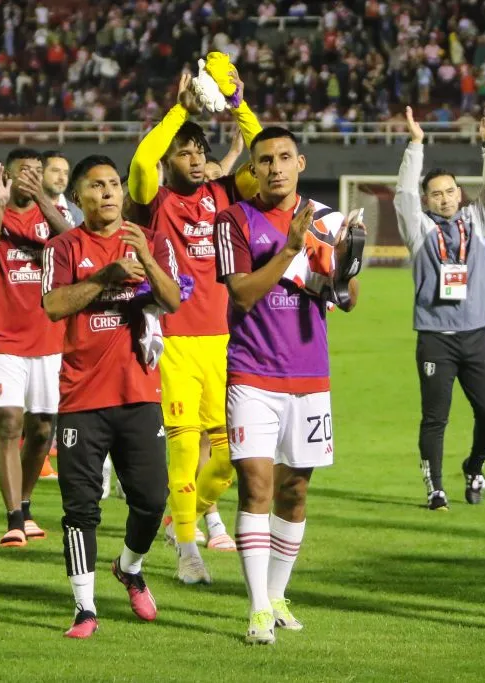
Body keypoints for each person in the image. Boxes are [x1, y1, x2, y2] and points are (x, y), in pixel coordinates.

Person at [215, 126, 362, 644]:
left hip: (309, 376)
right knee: (256, 485)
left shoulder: (329, 219)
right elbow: (242, 295)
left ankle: (277, 594)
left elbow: (348, 299)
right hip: (251, 373)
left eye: (283, 157)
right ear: (251, 169)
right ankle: (256, 609)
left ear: (300, 162)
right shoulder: (233, 219)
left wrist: (342, 266)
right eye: (264, 160)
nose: (274, 167)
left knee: (295, 491)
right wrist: (291, 249)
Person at [127, 63, 262, 584]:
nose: (195, 159)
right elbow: (142, 159)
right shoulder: (151, 201)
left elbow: (260, 155)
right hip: (176, 341)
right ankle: (188, 547)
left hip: (226, 340)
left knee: (232, 455)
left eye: (199, 151)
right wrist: (181, 107)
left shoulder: (224, 196)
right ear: (169, 160)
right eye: (183, 152)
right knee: (184, 447)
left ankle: (180, 517)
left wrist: (237, 105)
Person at [42, 154, 182, 638]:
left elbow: (173, 300)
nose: (106, 193)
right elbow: (53, 306)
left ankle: (129, 566)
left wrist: (143, 258)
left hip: (140, 393)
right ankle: (84, 608)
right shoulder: (63, 247)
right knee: (80, 507)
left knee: (150, 498)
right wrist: (105, 277)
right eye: (95, 186)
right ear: (78, 198)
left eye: (112, 185)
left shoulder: (154, 241)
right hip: (81, 398)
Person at [394, 104, 485, 510]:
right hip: (436, 337)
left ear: (460, 194)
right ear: (427, 199)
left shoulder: (475, 221)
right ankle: (435, 488)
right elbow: (403, 194)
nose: (444, 199)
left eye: (450, 191)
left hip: (477, 334)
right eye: (436, 194)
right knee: (435, 418)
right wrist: (416, 145)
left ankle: (475, 466)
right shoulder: (418, 229)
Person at [0, 150, 69, 547]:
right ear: (9, 178)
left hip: (49, 340)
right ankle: (14, 517)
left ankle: (27, 504)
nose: (31, 178)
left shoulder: (50, 220)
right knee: (9, 424)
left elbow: (73, 244)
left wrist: (45, 201)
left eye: (38, 172)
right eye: (24, 173)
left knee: (42, 429)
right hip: (4, 340)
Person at [41, 150, 84, 227]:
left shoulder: (77, 214)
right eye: (55, 171)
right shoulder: (26, 208)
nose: (62, 178)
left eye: (65, 173)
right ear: (40, 173)